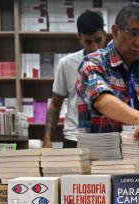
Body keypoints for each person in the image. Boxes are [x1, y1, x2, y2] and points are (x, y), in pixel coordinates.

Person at [76, 2, 139, 148]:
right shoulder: (93, 62)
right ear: (116, 31)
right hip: (101, 162)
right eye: (133, 33)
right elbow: (102, 101)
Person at [43, 10, 108, 149]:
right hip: (74, 138)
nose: (94, 48)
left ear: (105, 34)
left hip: (107, 138)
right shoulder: (66, 63)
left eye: (98, 40)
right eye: (88, 42)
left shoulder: (116, 62)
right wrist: (47, 138)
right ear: (79, 38)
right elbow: (55, 104)